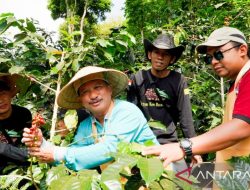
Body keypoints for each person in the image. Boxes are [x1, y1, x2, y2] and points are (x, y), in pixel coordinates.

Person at [143, 27, 250, 170]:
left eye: (218, 54)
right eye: (209, 57)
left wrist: (185, 147)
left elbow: (242, 126)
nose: (213, 62)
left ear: (242, 50)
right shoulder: (238, 82)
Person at [22, 66, 159, 171]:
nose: (93, 95)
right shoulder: (86, 126)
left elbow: (111, 148)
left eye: (97, 87)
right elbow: (75, 157)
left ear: (109, 89)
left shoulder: (126, 111)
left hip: (157, 177)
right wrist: (42, 144)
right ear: (80, 100)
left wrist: (57, 153)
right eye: (85, 92)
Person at [127, 33, 197, 144]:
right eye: (156, 52)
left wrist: (193, 147)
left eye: (166, 54)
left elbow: (185, 116)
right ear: (149, 55)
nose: (160, 57)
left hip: (168, 141)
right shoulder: (138, 78)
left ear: (172, 59)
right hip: (141, 140)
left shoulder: (178, 80)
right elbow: (130, 111)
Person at [0, 73, 32, 173]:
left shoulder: (23, 114)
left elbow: (29, 141)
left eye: (3, 93)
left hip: (20, 169)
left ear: (10, 94)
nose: (0, 100)